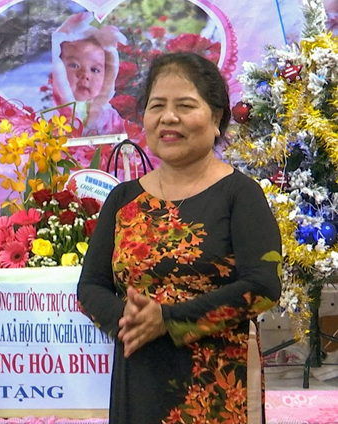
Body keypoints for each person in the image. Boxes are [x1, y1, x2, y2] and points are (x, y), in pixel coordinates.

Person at [76, 52, 282, 424]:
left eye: (185, 106)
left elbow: (264, 285)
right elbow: (90, 287)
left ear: (217, 118)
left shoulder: (240, 194)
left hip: (218, 385)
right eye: (157, 106)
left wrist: (169, 320)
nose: (169, 118)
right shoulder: (123, 199)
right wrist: (131, 320)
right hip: (138, 376)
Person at [51, 12, 126, 136]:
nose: (84, 75)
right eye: (74, 65)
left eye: (95, 70)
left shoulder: (108, 115)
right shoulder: (53, 108)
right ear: (59, 70)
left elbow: (122, 143)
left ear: (107, 76)